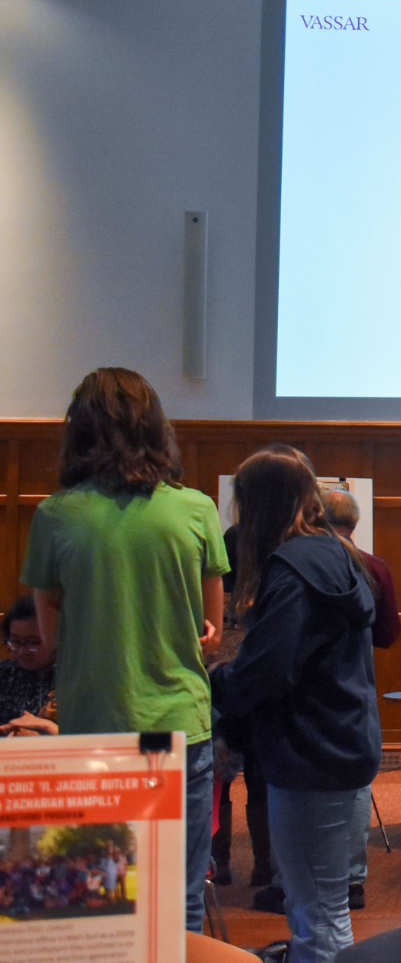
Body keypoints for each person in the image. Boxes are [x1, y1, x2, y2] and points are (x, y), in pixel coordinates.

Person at [21, 367, 226, 932]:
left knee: (103, 906)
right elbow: (212, 628)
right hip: (178, 726)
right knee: (179, 904)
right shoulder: (195, 509)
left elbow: (51, 636)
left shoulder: (55, 516)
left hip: (96, 727)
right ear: (156, 430)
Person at [210, 448, 381, 963]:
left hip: (311, 753)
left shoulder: (290, 568)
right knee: (326, 906)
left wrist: (214, 681)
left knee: (316, 913)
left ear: (257, 506)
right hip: (342, 741)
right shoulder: (333, 552)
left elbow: (268, 670)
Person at [322, 488, 399, 910]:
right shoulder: (374, 567)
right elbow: (388, 635)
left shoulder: (298, 562)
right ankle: (353, 880)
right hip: (358, 682)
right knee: (356, 785)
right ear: (354, 523)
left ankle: (291, 874)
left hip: (310, 687)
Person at [0, 596, 56, 736]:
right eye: (16, 642)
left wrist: (48, 728)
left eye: (33, 642)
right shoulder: (4, 673)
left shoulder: (74, 680)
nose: (22, 651)